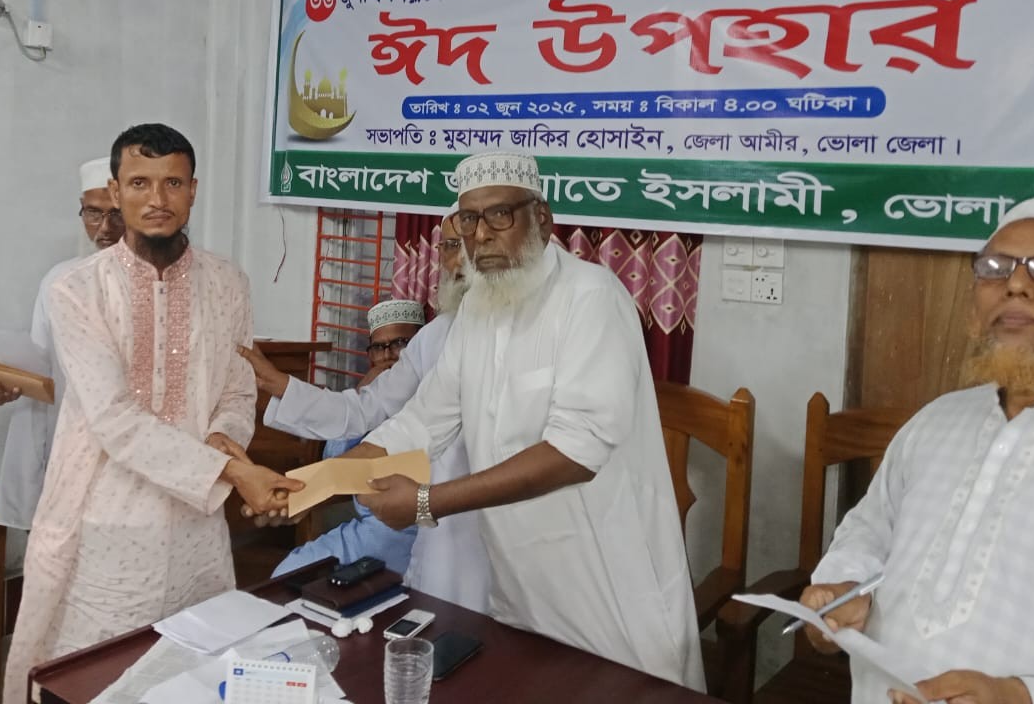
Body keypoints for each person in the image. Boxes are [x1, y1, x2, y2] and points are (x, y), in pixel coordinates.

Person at [341, 151, 703, 687]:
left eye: (499, 215)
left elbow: (575, 453)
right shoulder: (477, 309)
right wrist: (320, 480)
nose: (481, 235)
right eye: (469, 219)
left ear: (542, 218)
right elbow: (423, 419)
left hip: (606, 583)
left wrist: (425, 502)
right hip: (521, 583)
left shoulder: (591, 298)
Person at [3, 124, 301, 702]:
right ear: (116, 192)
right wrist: (235, 472)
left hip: (196, 525)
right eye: (139, 183)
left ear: (193, 190)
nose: (157, 199)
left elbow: (238, 392)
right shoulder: (77, 289)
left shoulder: (229, 283)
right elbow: (115, 419)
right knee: (100, 679)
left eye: (173, 183)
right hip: (105, 525)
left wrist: (225, 443)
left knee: (189, 675)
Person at [803, 195, 1034, 704]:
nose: (1015, 284)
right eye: (994, 269)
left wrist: (1023, 696)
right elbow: (869, 530)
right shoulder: (937, 420)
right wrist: (841, 591)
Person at [244, 214, 491, 611]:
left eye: (467, 243)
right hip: (426, 532)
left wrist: (306, 491)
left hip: (491, 524)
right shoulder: (439, 336)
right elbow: (372, 413)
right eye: (448, 246)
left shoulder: (544, 328)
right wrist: (279, 386)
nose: (458, 259)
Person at [0, 157, 126, 531]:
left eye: (116, 214)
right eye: (93, 213)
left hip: (130, 458)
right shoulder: (59, 281)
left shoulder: (158, 285)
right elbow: (42, 378)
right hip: (70, 456)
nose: (104, 228)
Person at [262, 298, 428, 577]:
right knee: (288, 573)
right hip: (369, 530)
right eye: (379, 347)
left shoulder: (434, 395)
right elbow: (336, 457)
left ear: (419, 348)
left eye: (400, 344)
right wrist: (364, 391)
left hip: (418, 531)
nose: (388, 356)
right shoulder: (369, 397)